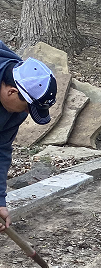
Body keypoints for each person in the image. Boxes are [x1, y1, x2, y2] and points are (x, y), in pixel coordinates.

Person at [0, 40, 58, 233]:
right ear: (12, 92)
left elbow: (1, 149)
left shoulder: (14, 110)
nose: (25, 114)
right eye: (26, 107)